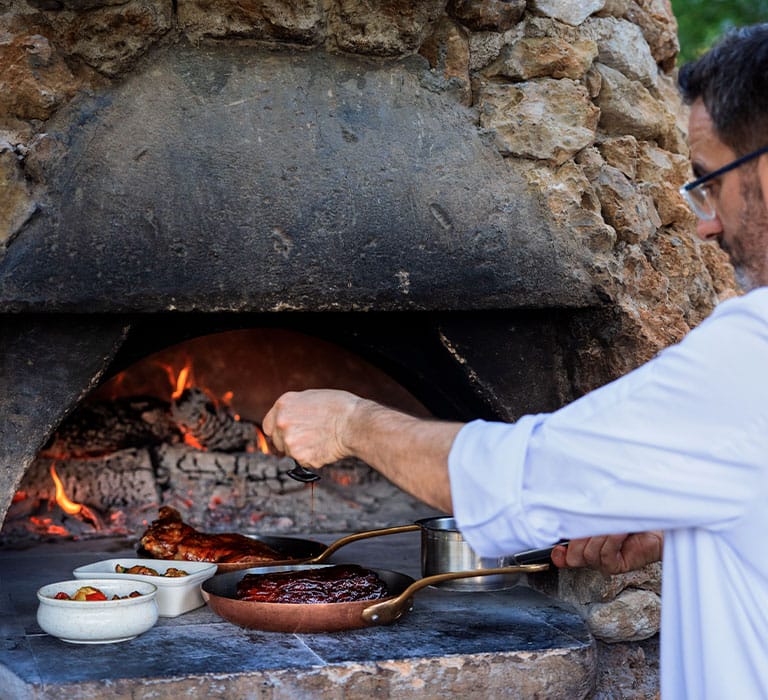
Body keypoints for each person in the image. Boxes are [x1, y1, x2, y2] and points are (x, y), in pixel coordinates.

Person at [263, 25, 768, 700]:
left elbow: (517, 478)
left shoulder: (752, 349)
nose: (704, 222)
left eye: (709, 182)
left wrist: (349, 421)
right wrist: (678, 515)